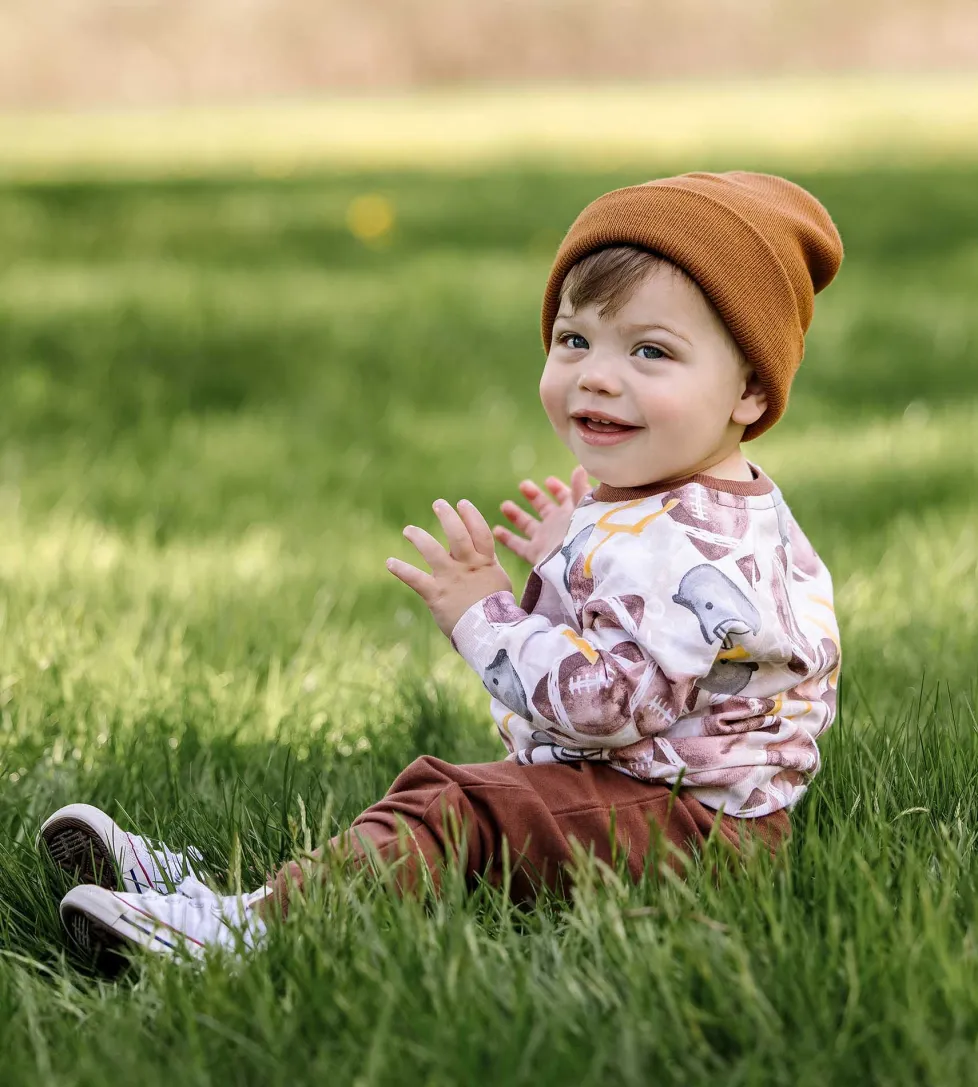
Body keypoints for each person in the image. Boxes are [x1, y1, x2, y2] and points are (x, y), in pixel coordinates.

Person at [41, 171, 843, 963]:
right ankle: (227, 895)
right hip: (663, 804)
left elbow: (606, 706)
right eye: (574, 339)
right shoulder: (699, 507)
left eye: (651, 350)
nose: (597, 374)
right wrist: (574, 557)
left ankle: (252, 930)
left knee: (457, 808)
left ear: (749, 390)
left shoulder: (695, 551)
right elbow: (662, 643)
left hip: (692, 832)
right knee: (441, 793)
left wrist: (484, 613)